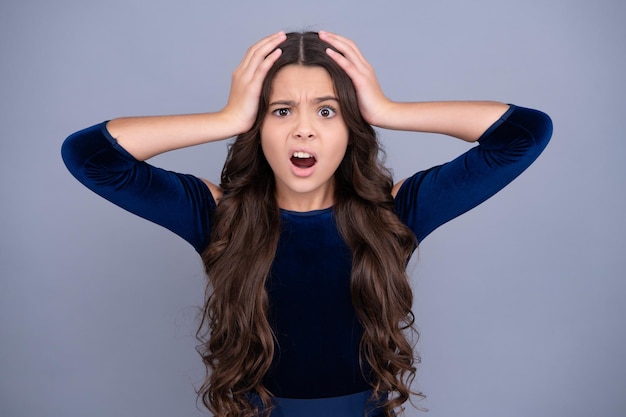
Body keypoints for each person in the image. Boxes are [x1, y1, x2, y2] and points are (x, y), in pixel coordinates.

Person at [61, 30, 552, 417]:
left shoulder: (395, 212)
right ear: (259, 128)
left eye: (327, 110)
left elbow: (524, 134)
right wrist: (227, 117)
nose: (304, 128)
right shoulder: (216, 215)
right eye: (280, 110)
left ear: (350, 128)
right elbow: (90, 156)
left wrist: (387, 110)